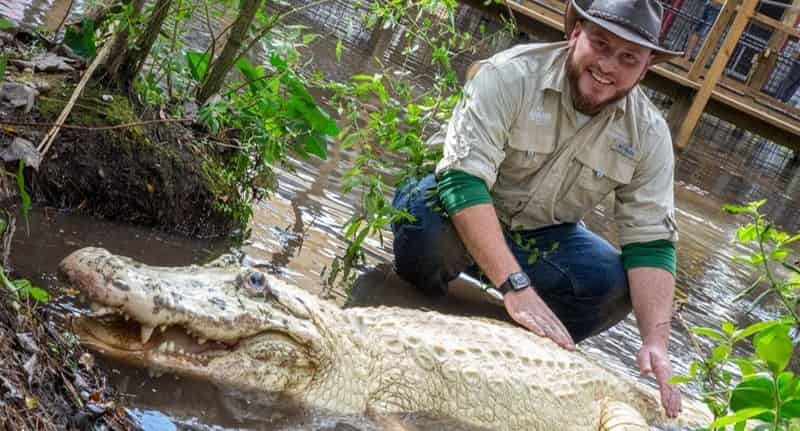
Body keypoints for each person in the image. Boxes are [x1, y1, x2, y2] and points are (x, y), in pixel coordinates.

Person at [391, 0, 683, 418]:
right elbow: (461, 181)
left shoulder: (650, 134)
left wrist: (656, 342)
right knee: (423, 229)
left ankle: (507, 347)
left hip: (543, 234)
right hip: (456, 209)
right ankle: (430, 310)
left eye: (628, 58)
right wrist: (515, 286)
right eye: (600, 45)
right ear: (575, 32)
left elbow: (651, 242)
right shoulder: (508, 74)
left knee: (612, 286)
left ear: (646, 66)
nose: (608, 67)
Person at [776, 37, 800, 104]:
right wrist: (796, 55)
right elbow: (795, 53)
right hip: (798, 65)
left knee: (796, 84)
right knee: (790, 80)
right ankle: (779, 98)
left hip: (798, 64)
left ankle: (784, 101)